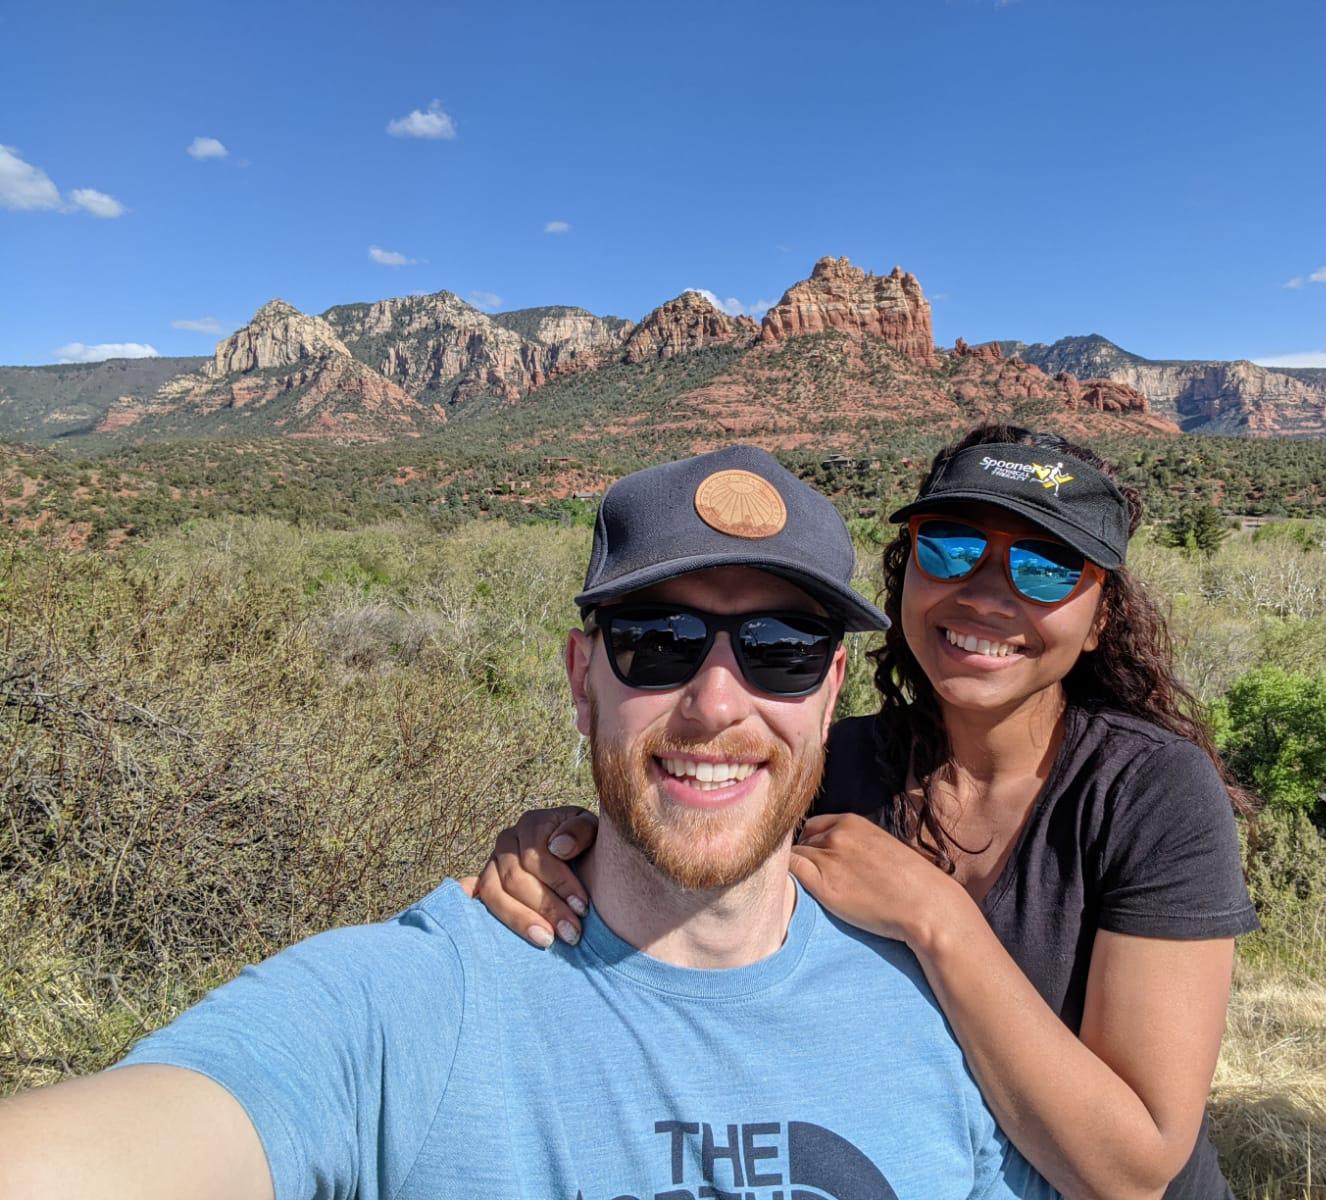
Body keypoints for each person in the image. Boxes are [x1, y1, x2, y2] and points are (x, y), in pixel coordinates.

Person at [0, 445, 1052, 1200]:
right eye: (659, 639)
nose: (717, 703)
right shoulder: (419, 1005)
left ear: (830, 692)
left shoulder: (933, 1008)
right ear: (579, 678)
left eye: (777, 649)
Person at [471, 425, 1261, 1200]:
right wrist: (560, 851)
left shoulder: (1149, 792)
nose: (987, 593)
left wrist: (937, 919)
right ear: (905, 571)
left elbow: (1131, 1172)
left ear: (1099, 621)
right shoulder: (826, 767)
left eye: (1047, 568)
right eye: (949, 546)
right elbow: (683, 858)